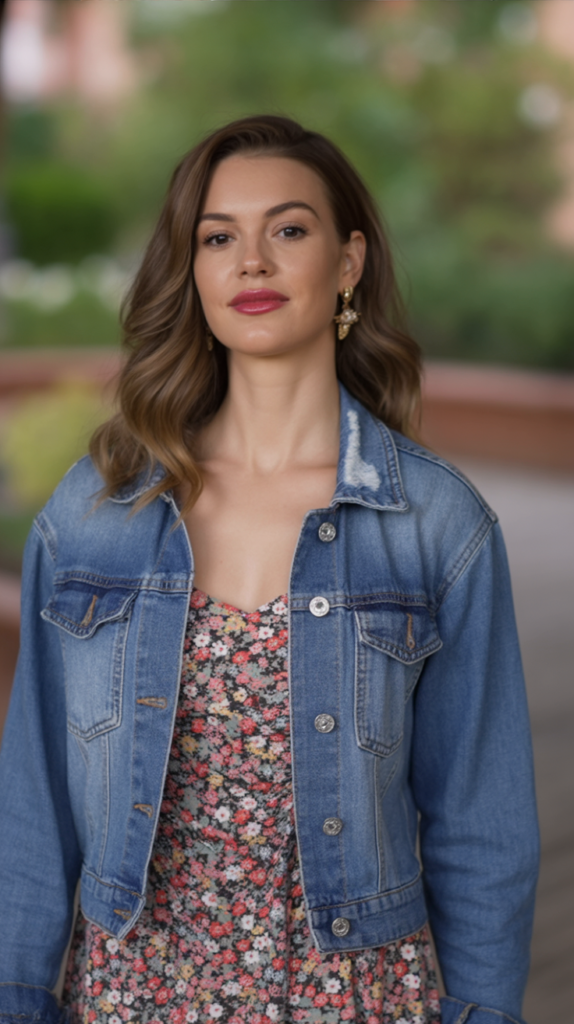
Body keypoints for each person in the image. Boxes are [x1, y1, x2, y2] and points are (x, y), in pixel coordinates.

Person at [0, 115, 539, 1024]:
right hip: (135, 994)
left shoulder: (437, 526)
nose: (251, 261)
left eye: (287, 230)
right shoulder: (96, 514)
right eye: (218, 237)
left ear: (349, 262)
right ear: (194, 270)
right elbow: (37, 797)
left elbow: (482, 821)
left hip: (354, 997)